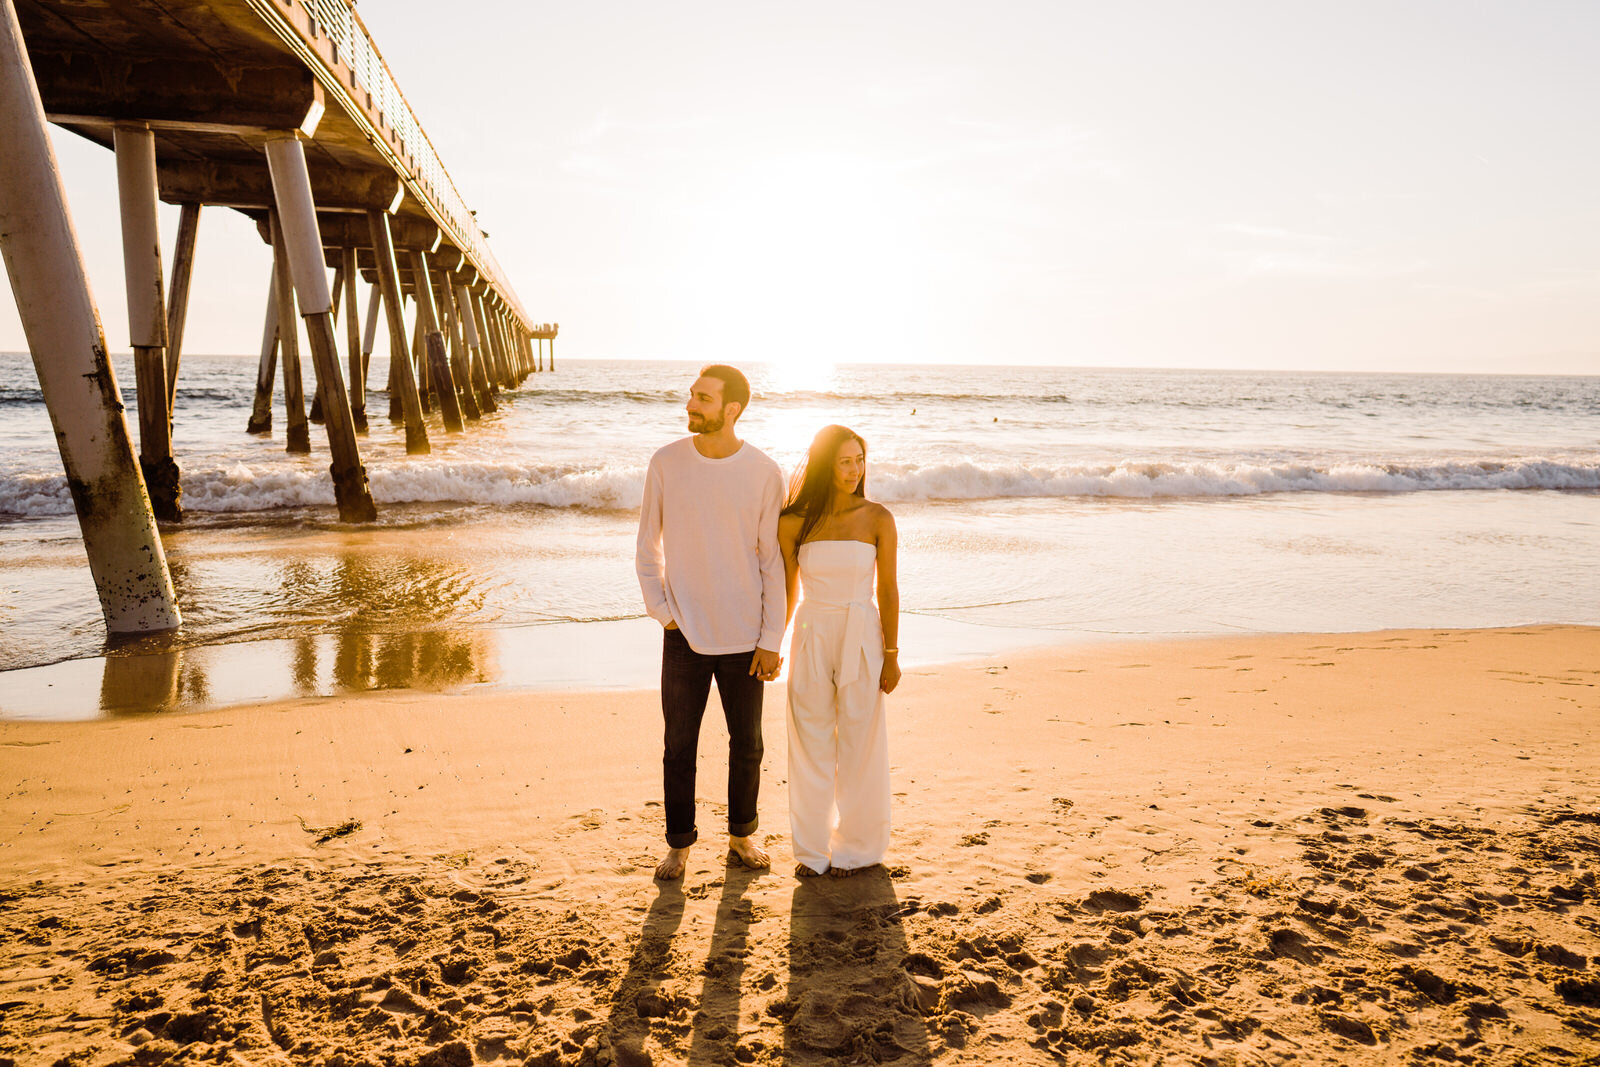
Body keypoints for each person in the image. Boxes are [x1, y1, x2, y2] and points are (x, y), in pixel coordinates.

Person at [636, 365, 786, 881]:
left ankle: (741, 836)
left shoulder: (765, 472)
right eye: (692, 395)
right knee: (679, 745)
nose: (690, 405)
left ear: (732, 410)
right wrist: (664, 615)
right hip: (684, 635)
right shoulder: (666, 463)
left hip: (746, 637)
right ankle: (679, 845)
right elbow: (646, 548)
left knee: (748, 744)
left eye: (702, 398)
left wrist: (771, 638)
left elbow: (772, 562)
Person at [777, 425, 900, 878]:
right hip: (811, 630)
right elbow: (786, 593)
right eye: (845, 461)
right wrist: (771, 644)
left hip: (863, 634)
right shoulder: (793, 522)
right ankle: (811, 851)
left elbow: (887, 589)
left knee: (860, 742)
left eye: (860, 460)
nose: (854, 470)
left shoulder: (877, 519)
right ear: (825, 464)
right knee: (808, 743)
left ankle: (859, 848)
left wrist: (892, 652)